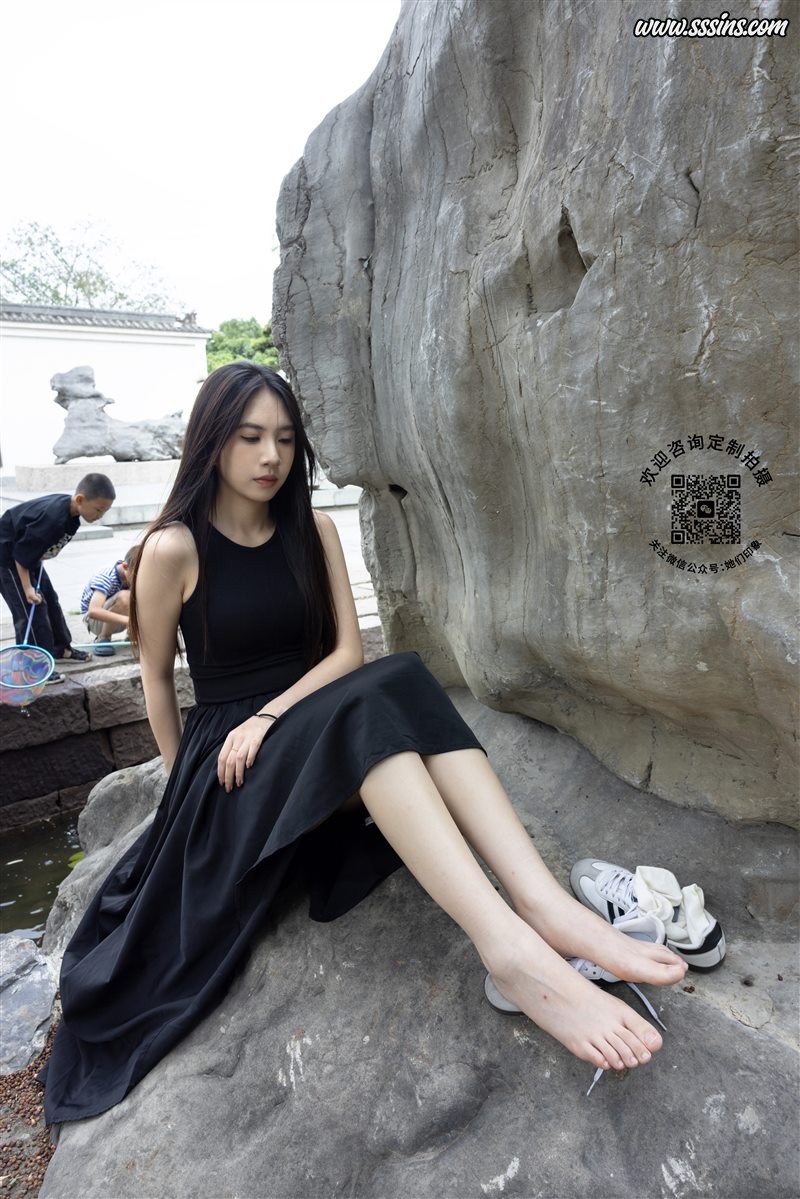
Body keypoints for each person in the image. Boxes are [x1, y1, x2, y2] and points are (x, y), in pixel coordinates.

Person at [39, 364, 686, 1126]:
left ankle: (544, 906)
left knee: (395, 678)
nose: (271, 456)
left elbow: (347, 653)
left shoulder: (312, 530)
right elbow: (154, 680)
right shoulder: (173, 547)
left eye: (285, 439)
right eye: (250, 437)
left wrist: (272, 714)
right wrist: (187, 805)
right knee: (372, 714)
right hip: (233, 766)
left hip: (303, 726)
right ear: (212, 441)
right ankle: (507, 948)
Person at [0, 474, 116, 681]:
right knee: (31, 610)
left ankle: (60, 649)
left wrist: (42, 553)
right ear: (80, 499)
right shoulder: (53, 519)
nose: (100, 516)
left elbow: (42, 547)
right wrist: (27, 588)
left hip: (28, 555)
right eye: (99, 510)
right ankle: (33, 667)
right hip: (7, 558)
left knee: (50, 600)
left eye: (105, 511)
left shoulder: (72, 516)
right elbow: (21, 554)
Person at [79, 544, 138, 656]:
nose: (140, 579)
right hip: (94, 622)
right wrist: (130, 621)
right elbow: (93, 611)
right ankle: (103, 638)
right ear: (125, 567)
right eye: (137, 575)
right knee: (125, 597)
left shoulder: (131, 575)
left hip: (119, 620)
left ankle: (132, 636)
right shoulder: (106, 576)